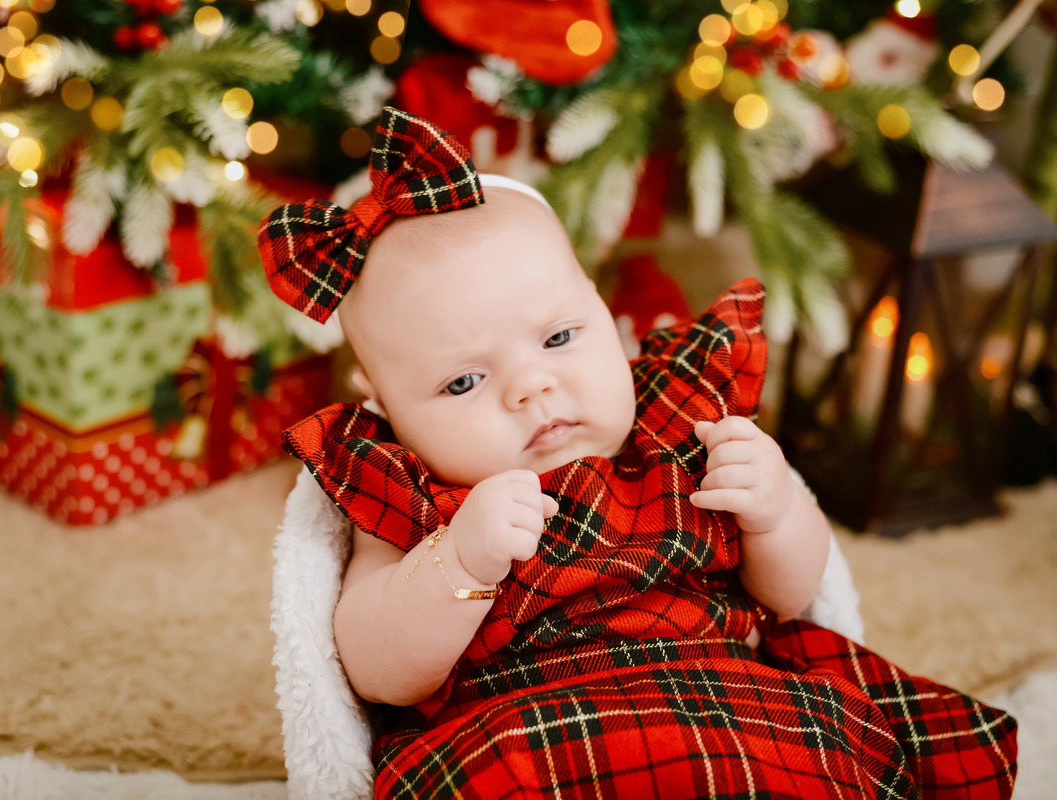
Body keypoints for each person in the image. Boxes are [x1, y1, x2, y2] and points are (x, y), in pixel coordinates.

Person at [259, 107, 1018, 799]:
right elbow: (377, 671)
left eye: (559, 337)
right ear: (386, 408)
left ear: (604, 311)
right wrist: (458, 563)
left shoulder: (680, 432)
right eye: (463, 381)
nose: (532, 388)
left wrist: (776, 511)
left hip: (732, 705)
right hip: (524, 735)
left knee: (824, 752)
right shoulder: (408, 492)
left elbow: (791, 600)